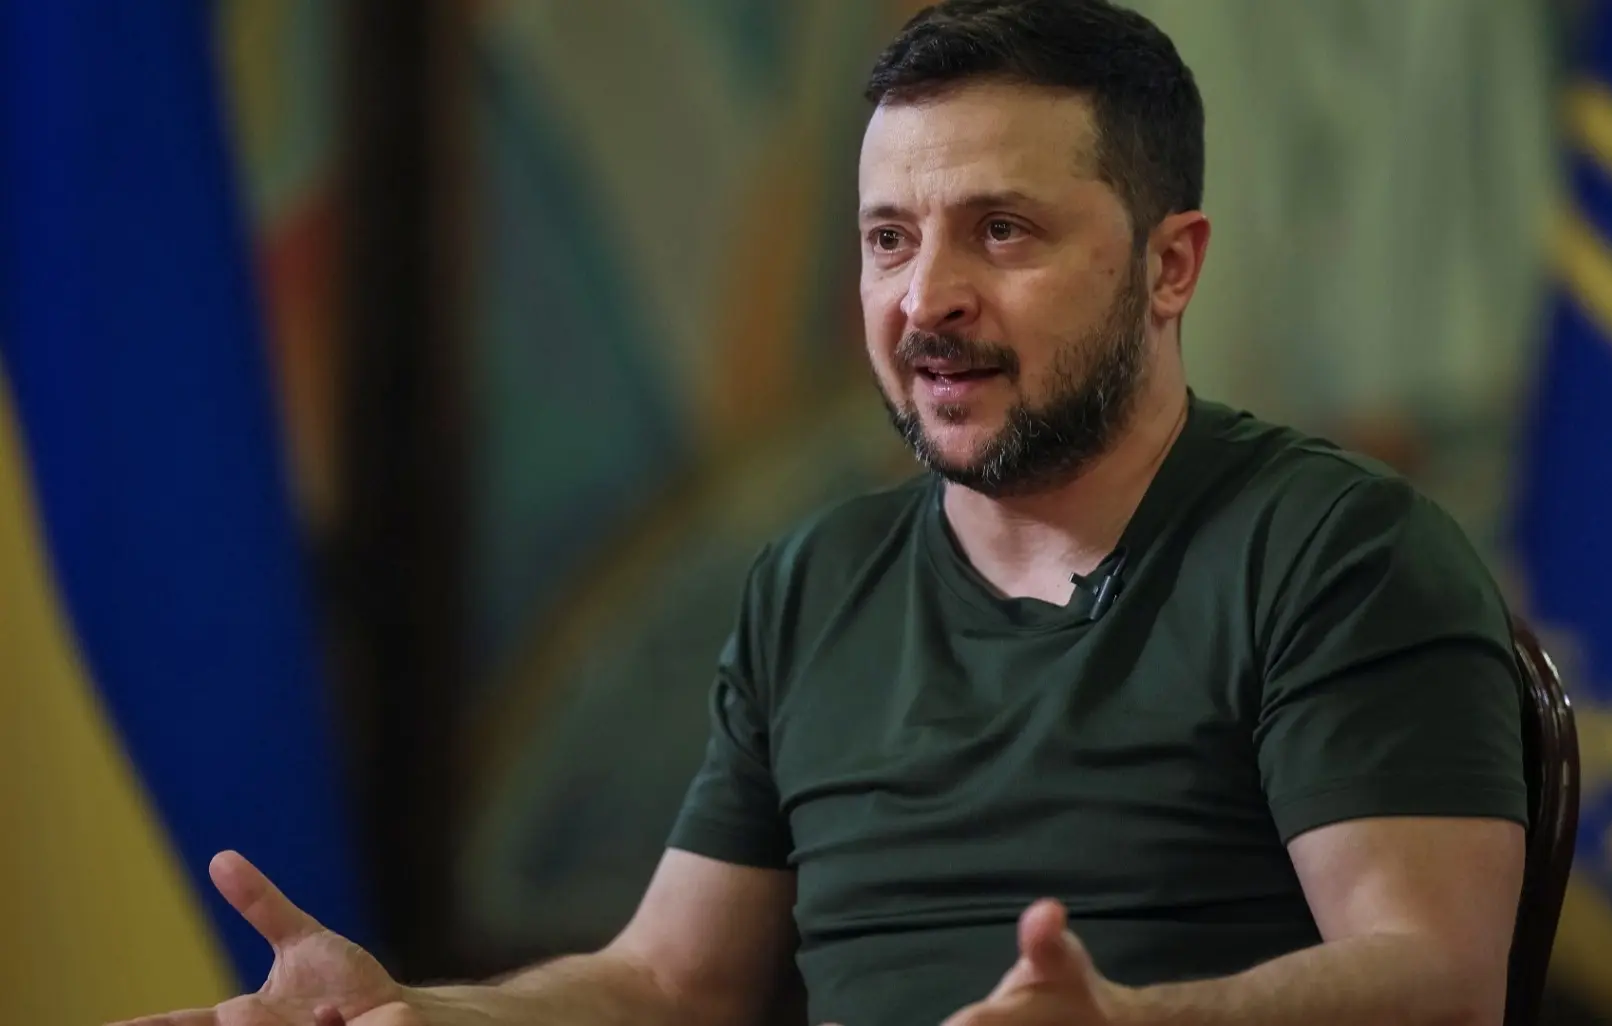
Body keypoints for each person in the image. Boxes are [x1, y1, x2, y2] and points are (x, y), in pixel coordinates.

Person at [118, 2, 1527, 1025]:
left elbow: (1440, 975)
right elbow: (668, 977)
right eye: (888, 240)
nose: (927, 299)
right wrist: (413, 1012)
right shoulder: (816, 579)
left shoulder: (1343, 552)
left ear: (1171, 267)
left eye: (1003, 231)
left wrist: (1136, 1021)